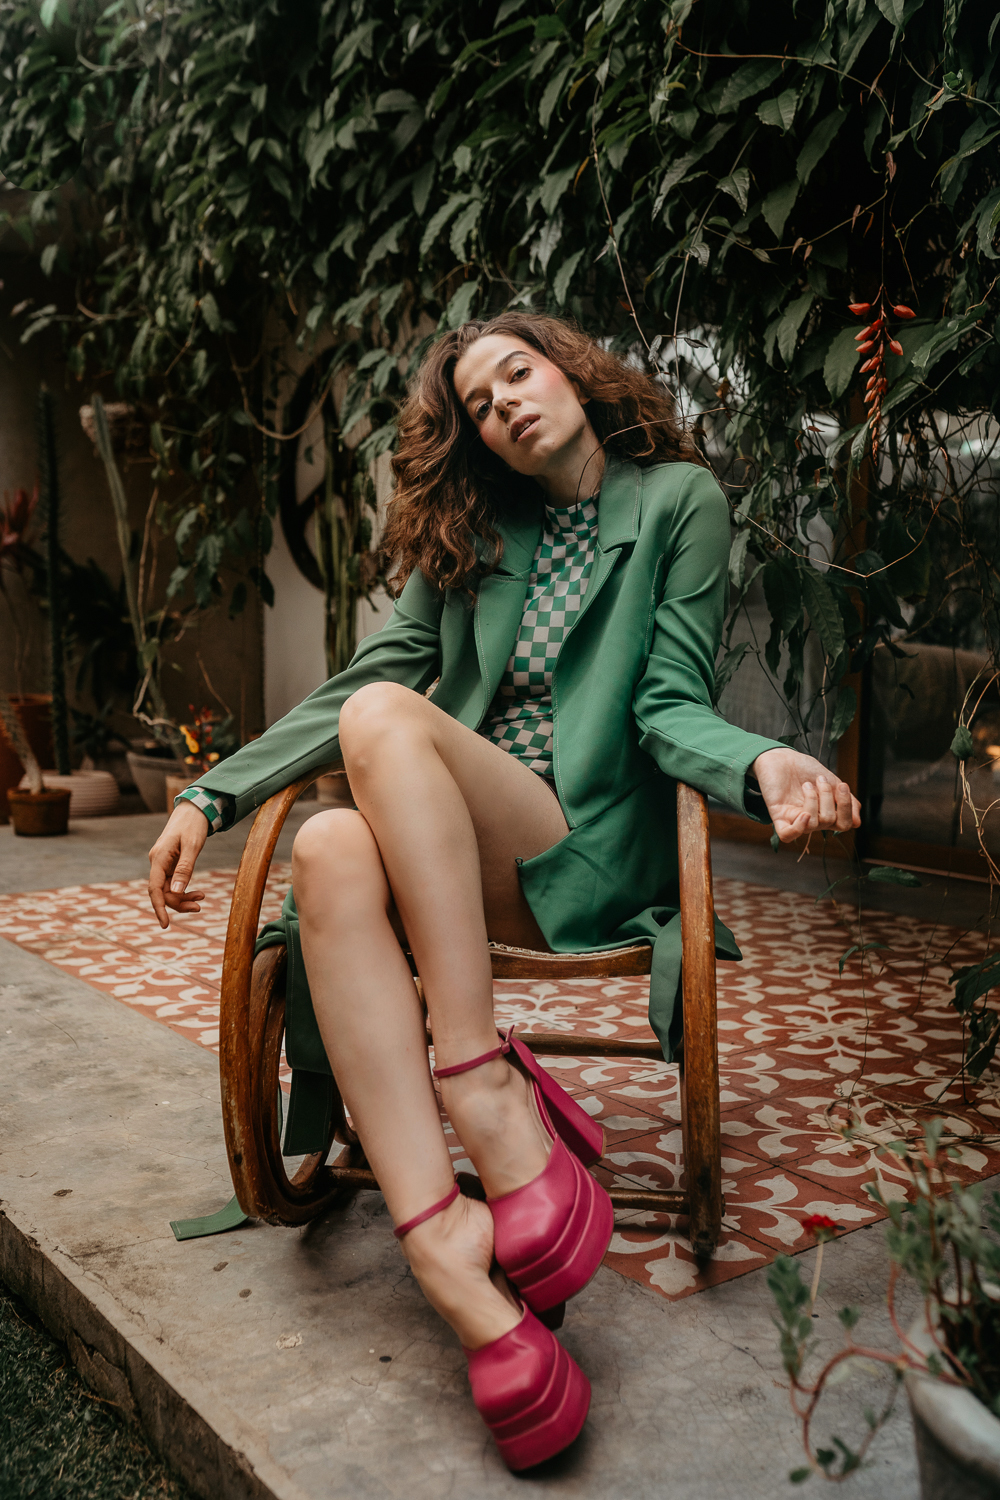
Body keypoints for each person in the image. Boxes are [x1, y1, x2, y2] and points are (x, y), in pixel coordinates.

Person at [147, 313, 860, 1471]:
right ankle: (446, 1252)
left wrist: (761, 762)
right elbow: (369, 680)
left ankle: (477, 1076)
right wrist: (207, 797)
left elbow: (666, 702)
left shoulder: (677, 500)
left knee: (384, 726)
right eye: (480, 404)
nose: (506, 404)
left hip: (581, 846)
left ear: (571, 370)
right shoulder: (476, 532)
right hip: (457, 867)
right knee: (327, 847)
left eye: (518, 373)